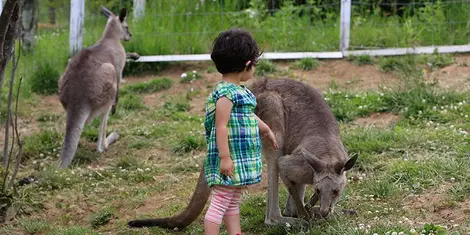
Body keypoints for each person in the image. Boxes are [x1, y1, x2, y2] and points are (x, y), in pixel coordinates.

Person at [203, 28, 279, 235]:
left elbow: (247, 115)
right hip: (231, 158)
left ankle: (235, 233)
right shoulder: (226, 94)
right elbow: (221, 125)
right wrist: (225, 158)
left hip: (240, 156)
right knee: (220, 202)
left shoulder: (240, 92)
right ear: (247, 65)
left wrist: (265, 129)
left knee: (232, 199)